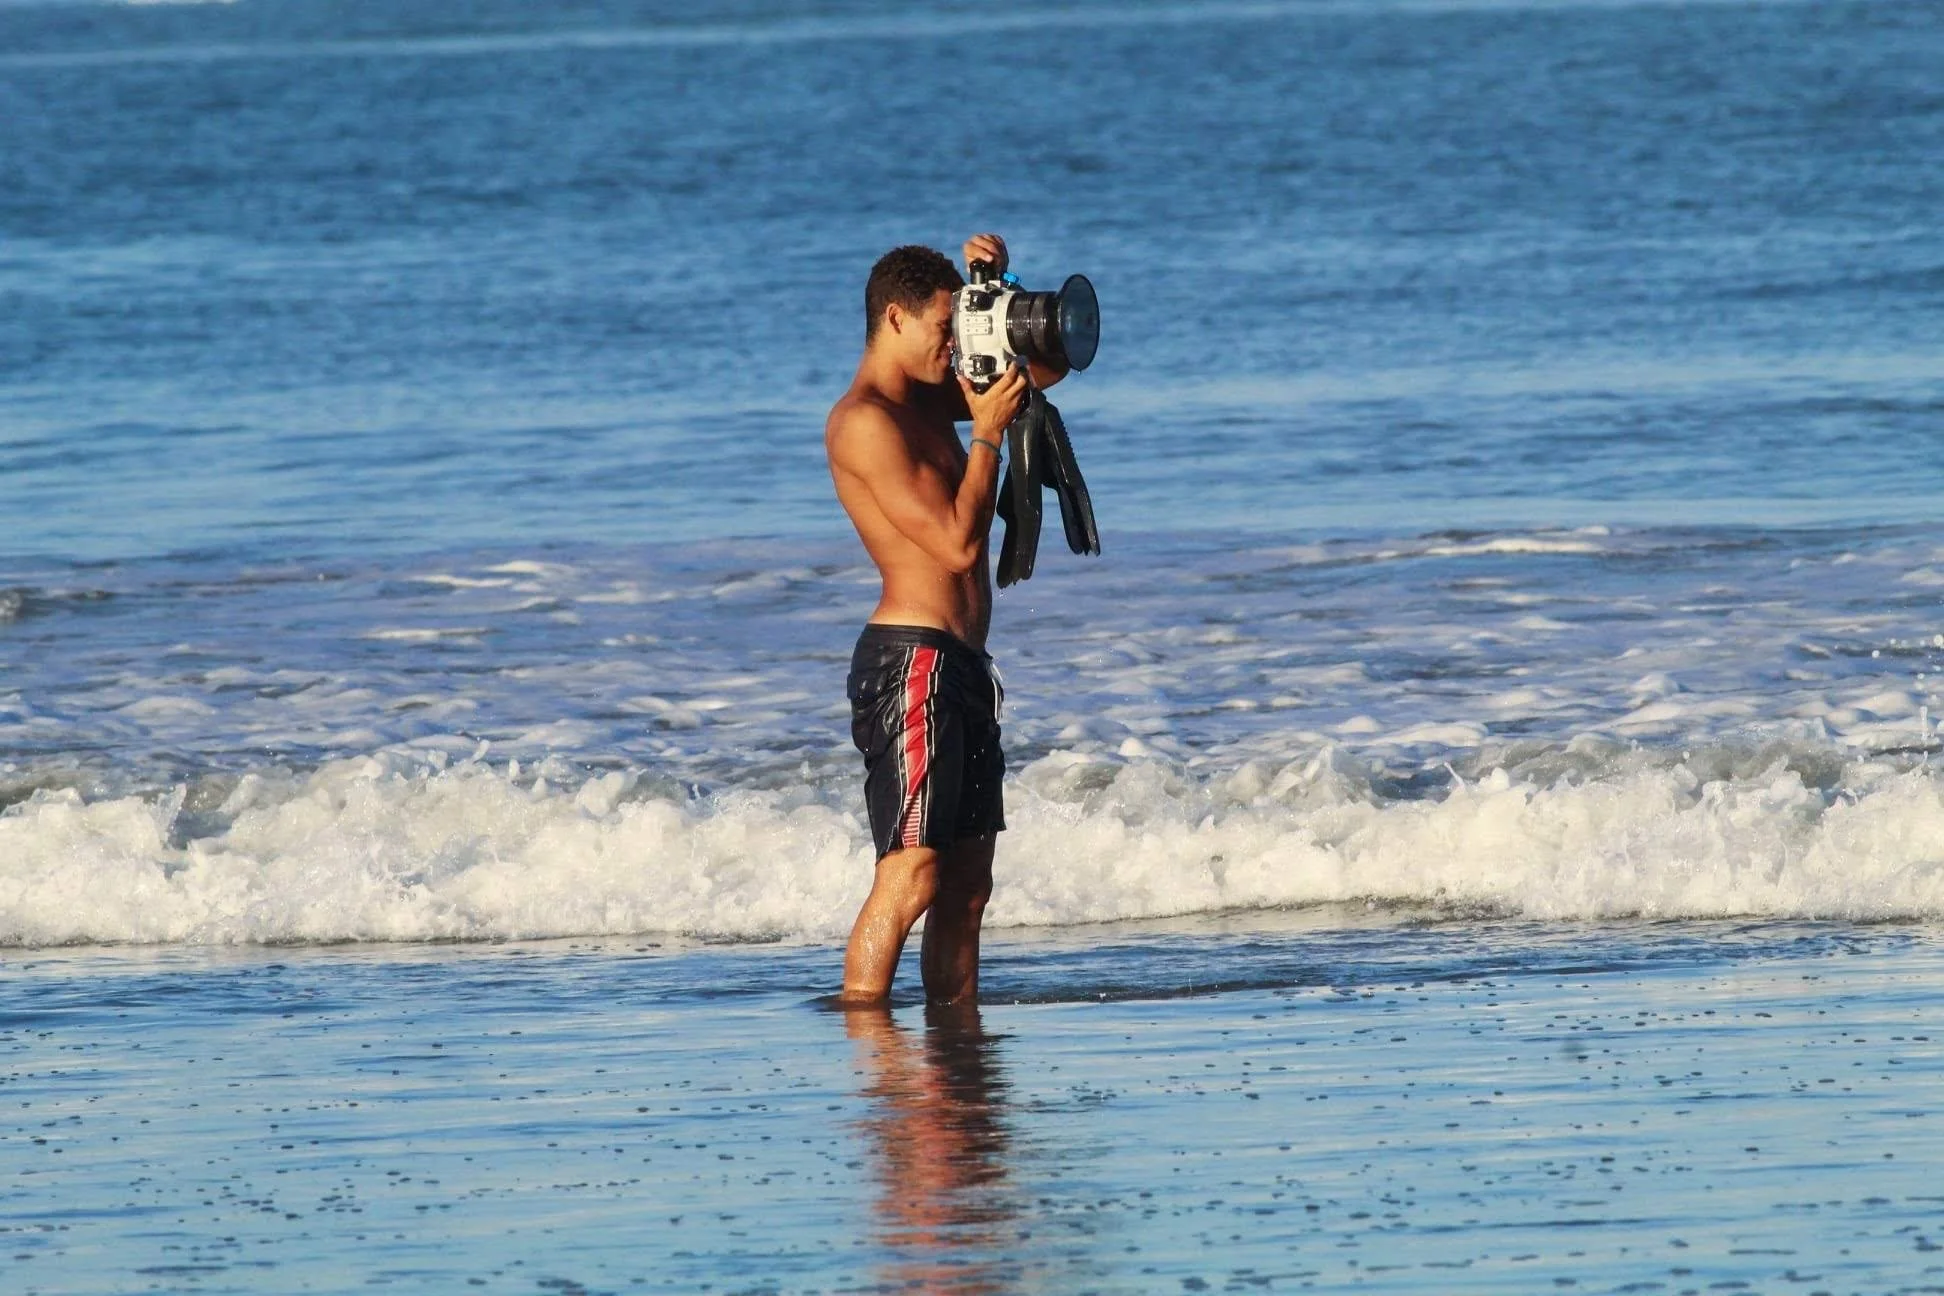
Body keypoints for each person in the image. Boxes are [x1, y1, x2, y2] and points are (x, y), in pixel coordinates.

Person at [825, 234, 1066, 1004]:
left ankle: (956, 1054)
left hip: (962, 665)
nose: (951, 348)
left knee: (966, 890)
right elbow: (959, 545)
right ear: (894, 319)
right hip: (912, 664)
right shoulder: (865, 422)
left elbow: (1050, 365)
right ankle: (866, 1035)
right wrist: (988, 435)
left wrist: (996, 298)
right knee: (915, 870)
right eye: (941, 330)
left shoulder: (926, 400)